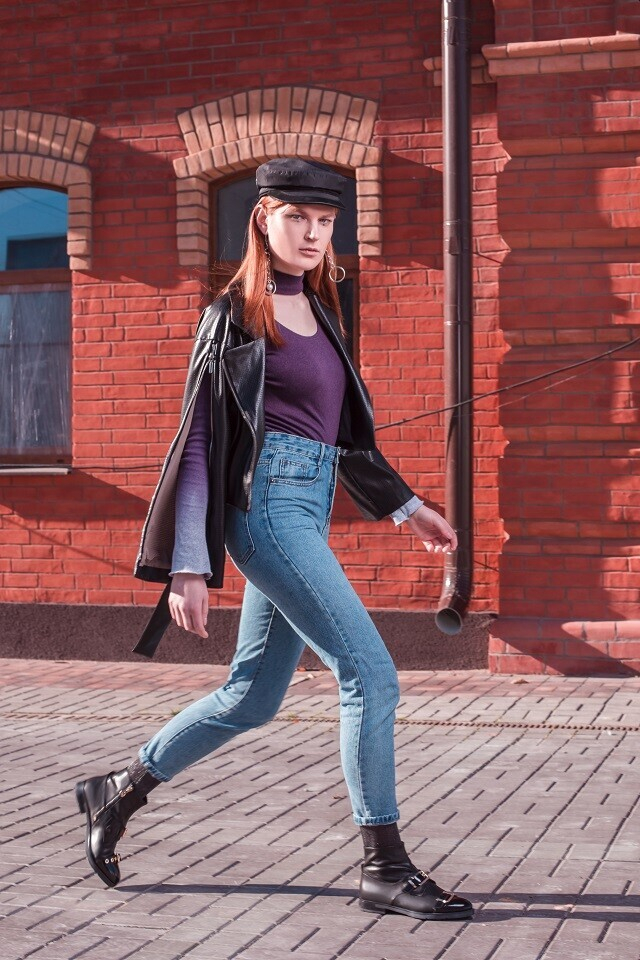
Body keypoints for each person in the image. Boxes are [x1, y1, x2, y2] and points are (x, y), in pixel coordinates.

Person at [75, 158, 473, 922]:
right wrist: (188, 564)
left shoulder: (322, 310)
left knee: (252, 698)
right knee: (371, 676)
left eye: (326, 221)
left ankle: (118, 792)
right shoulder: (232, 316)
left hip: (309, 506)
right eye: (299, 218)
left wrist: (408, 508)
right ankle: (384, 866)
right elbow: (198, 439)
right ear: (264, 218)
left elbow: (344, 437)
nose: (314, 234)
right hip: (265, 511)